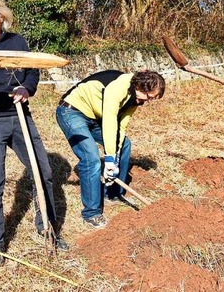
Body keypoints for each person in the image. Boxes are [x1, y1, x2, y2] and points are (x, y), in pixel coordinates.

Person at [0, 0, 67, 265]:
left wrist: (25, 88)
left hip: (19, 116)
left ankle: (48, 228)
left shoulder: (18, 42)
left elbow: (32, 71)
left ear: (1, 19)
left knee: (43, 171)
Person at [56, 70, 165, 228]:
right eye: (149, 97)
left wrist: (115, 157)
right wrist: (109, 159)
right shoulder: (118, 87)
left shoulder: (136, 99)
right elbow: (109, 121)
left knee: (125, 145)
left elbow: (121, 127)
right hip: (72, 112)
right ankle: (91, 213)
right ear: (141, 87)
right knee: (91, 158)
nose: (147, 102)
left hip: (95, 117)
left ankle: (113, 193)